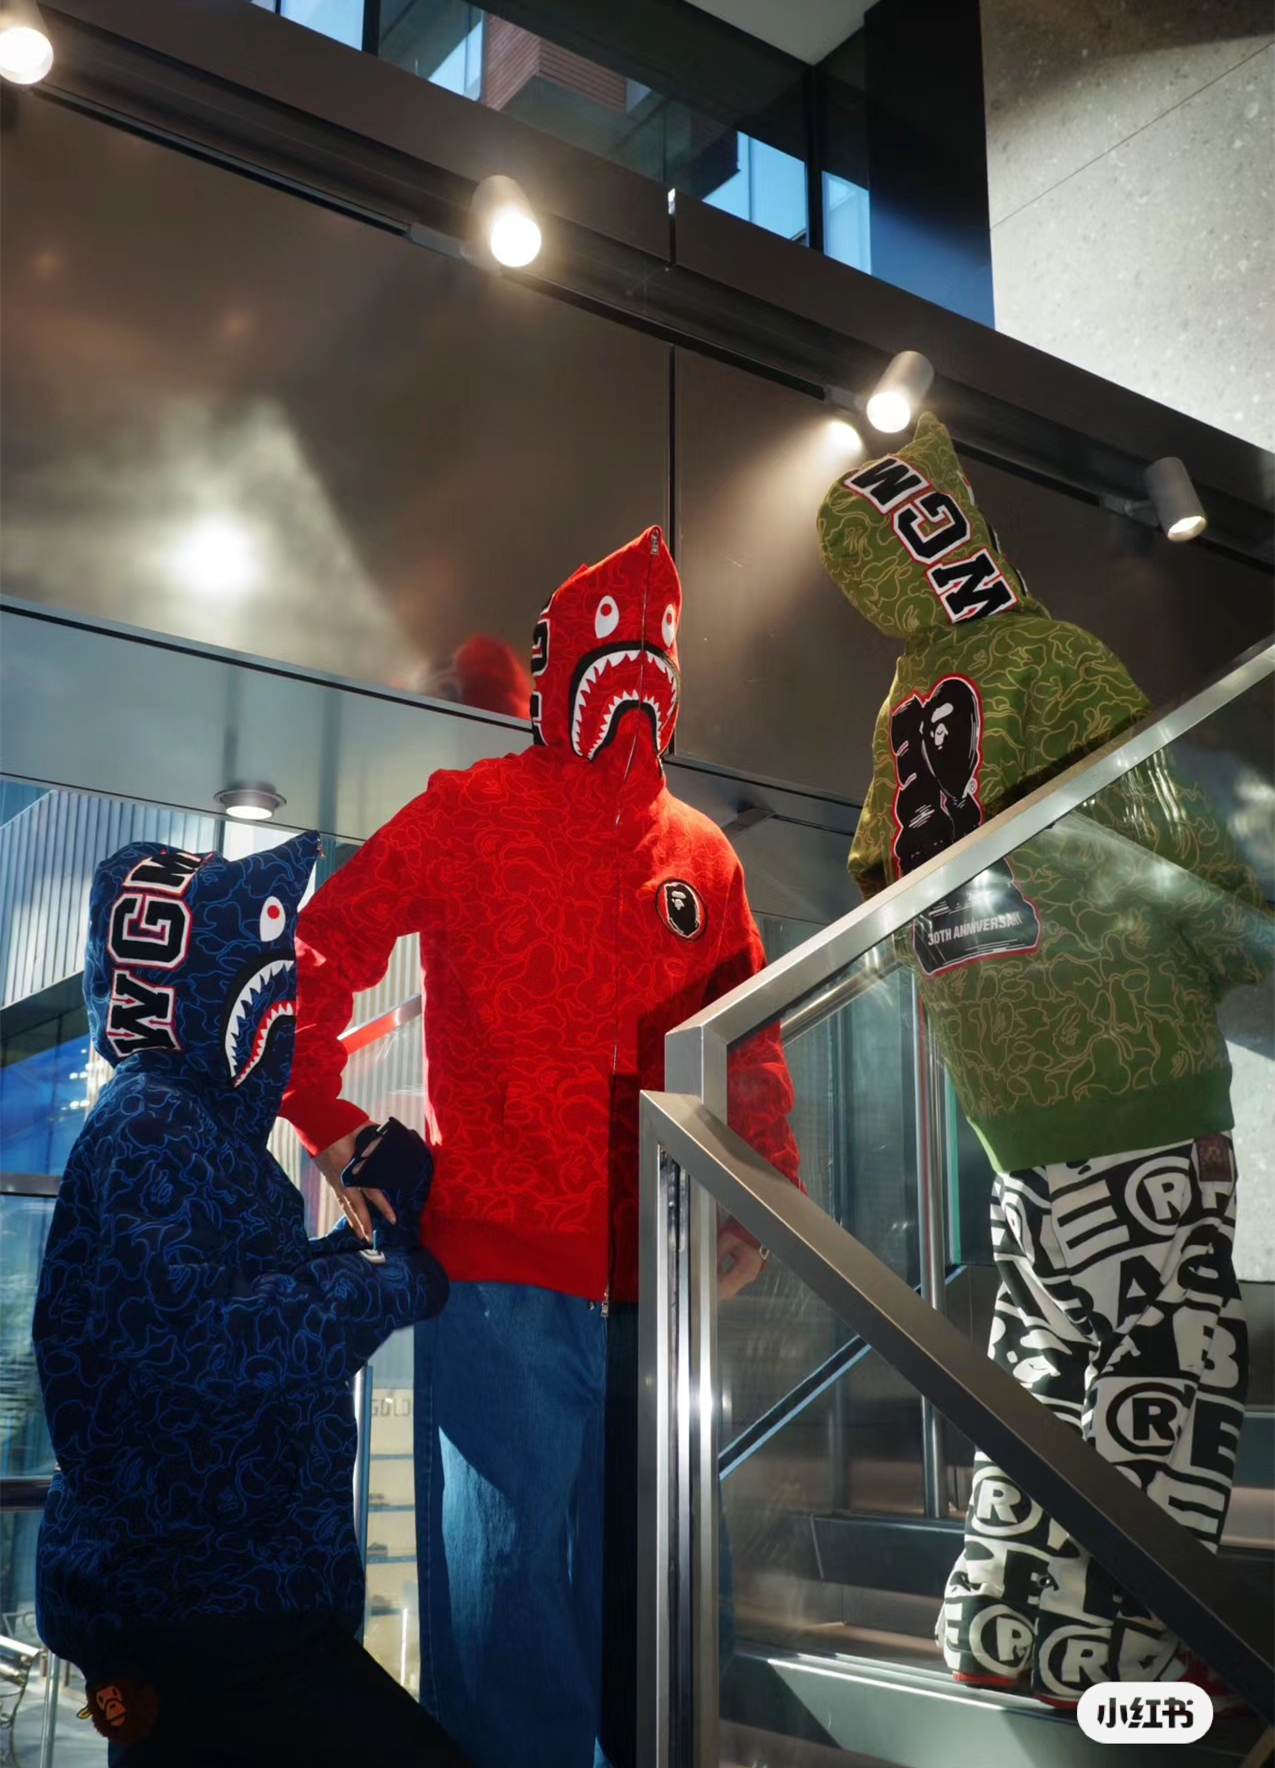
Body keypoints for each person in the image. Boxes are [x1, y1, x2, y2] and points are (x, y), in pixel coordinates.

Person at [281, 525, 801, 1768]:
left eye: (659, 644)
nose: (641, 659)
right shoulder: (469, 814)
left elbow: (752, 1043)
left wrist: (757, 1196)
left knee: (644, 1614)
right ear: (557, 659)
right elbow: (315, 951)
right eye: (614, 639)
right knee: (501, 1611)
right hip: (498, 1282)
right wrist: (329, 1118)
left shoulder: (703, 855)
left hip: (653, 1291)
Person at [817, 412, 1271, 1707]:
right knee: (1165, 1357)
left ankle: (1001, 1623)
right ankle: (1135, 1645)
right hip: (1132, 1065)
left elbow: (873, 877)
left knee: (1049, 1362)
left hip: (1007, 1107)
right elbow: (1160, 827)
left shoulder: (898, 714)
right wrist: (1240, 932)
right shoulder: (1052, 657)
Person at [33, 834, 470, 1767]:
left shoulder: (181, 1124)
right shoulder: (153, 1126)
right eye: (268, 956)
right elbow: (213, 1347)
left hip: (215, 1601)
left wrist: (362, 1249)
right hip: (213, 1611)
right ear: (207, 977)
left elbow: (220, 1318)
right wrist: (387, 1282)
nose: (288, 997)